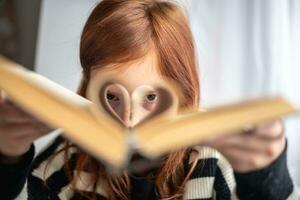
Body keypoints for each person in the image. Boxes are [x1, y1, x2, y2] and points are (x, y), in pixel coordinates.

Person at [0, 0, 298, 199]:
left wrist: (265, 179)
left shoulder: (212, 164)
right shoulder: (57, 169)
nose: (129, 121)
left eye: (151, 97)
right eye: (112, 97)